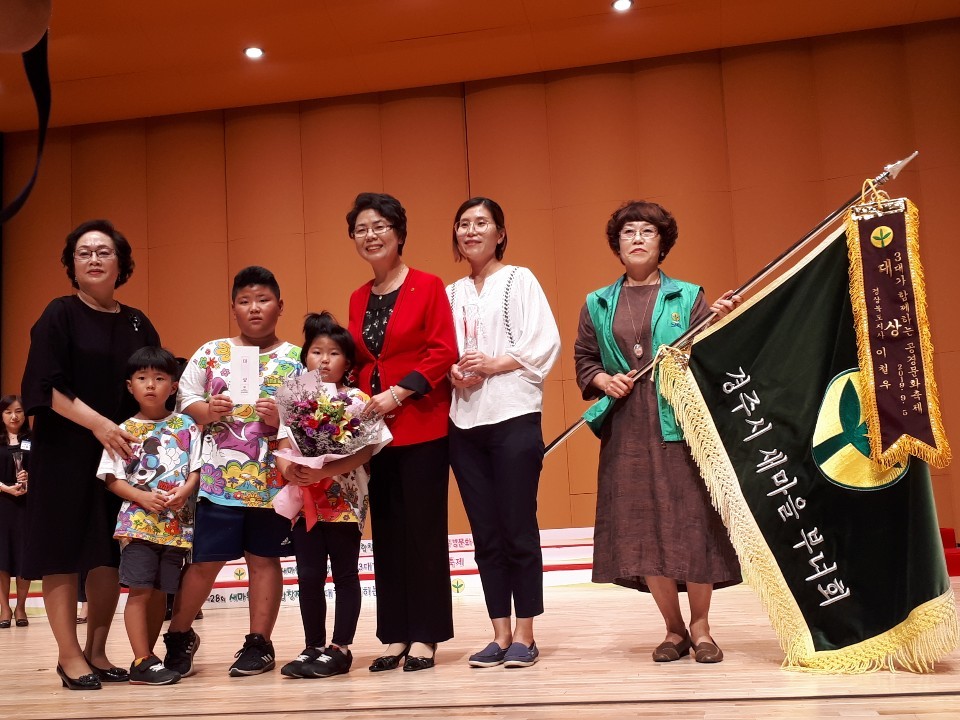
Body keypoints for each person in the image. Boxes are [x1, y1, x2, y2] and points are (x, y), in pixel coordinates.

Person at [573, 200, 742, 664]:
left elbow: (711, 355)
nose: (638, 239)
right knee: (642, 527)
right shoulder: (597, 302)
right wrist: (602, 379)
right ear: (618, 244)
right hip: (627, 429)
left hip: (679, 424)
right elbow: (585, 360)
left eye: (648, 231)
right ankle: (673, 630)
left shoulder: (688, 296)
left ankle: (702, 627)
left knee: (692, 525)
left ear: (662, 242)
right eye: (629, 232)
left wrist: (720, 321)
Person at [21, 219, 161, 689]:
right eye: (84, 253)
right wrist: (100, 424)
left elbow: (156, 380)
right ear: (71, 266)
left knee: (107, 554)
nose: (95, 259)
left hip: (121, 456)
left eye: (104, 252)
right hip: (65, 451)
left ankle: (98, 652)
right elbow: (43, 387)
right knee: (62, 551)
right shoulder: (58, 313)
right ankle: (69, 655)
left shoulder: (137, 321)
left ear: (121, 264)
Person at [163, 266, 301, 677]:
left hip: (271, 485)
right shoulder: (212, 352)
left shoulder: (296, 358)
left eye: (262, 300)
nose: (254, 308)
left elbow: (313, 420)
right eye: (244, 301)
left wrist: (283, 417)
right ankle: (179, 634)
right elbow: (184, 399)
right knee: (204, 563)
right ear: (234, 308)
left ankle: (259, 643)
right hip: (217, 482)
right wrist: (207, 410)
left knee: (264, 561)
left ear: (280, 305)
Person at [445, 198, 560, 668]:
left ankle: (526, 635)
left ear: (500, 232)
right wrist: (453, 372)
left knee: (517, 527)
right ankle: (499, 632)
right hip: (463, 422)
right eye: (464, 224)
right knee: (485, 533)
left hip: (513, 415)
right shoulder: (448, 292)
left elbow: (543, 341)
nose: (471, 231)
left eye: (482, 223)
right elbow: (439, 352)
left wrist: (494, 364)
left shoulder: (520, 278)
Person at [346, 192, 459, 672]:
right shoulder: (357, 296)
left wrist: (399, 393)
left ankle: (426, 635)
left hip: (421, 423)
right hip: (375, 434)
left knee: (423, 534)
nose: (370, 236)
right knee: (386, 533)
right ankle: (393, 634)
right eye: (361, 229)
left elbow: (442, 350)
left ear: (398, 232)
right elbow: (357, 361)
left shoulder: (428, 285)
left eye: (379, 226)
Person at [275, 312, 391, 679]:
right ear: (305, 357)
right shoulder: (294, 398)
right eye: (315, 352)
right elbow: (281, 444)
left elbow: (368, 449)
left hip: (344, 499)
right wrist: (288, 469)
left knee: (344, 573)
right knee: (308, 574)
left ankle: (340, 648)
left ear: (348, 362)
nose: (323, 360)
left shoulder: (358, 400)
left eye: (334, 353)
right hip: (304, 500)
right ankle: (312, 646)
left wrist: (327, 470)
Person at [96, 347, 202, 686]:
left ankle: (151, 657)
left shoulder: (188, 426)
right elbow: (112, 479)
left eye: (159, 378)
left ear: (173, 386)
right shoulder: (122, 429)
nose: (151, 385)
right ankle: (142, 659)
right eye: (142, 378)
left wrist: (185, 491)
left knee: (160, 591)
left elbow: (197, 470)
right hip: (138, 526)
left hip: (176, 528)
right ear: (130, 386)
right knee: (140, 590)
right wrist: (141, 496)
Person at [0, 395, 31, 628]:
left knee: (22, 557)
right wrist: (6, 489)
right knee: (2, 558)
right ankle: (4, 608)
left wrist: (30, 479)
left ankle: (21, 606)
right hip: (2, 503)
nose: (14, 416)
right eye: (9, 411)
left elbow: (42, 471)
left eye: (19, 411)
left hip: (26, 505)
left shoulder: (33, 440)